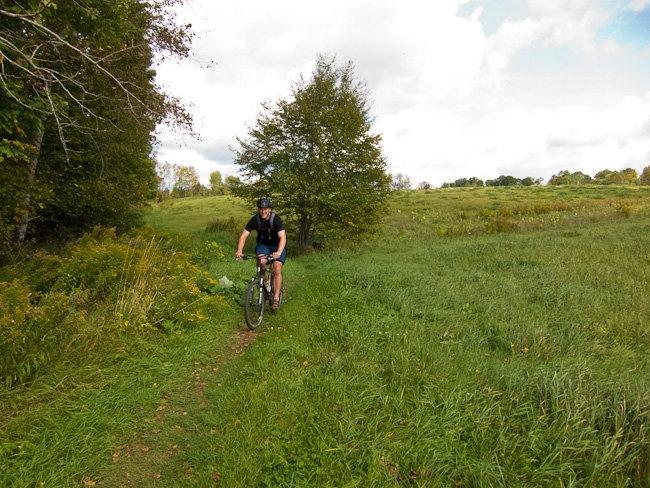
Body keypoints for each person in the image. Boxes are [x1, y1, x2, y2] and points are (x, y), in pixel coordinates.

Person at [236, 197, 286, 310]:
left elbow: (283, 237)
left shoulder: (276, 219)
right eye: (261, 209)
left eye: (266, 209)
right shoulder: (255, 219)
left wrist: (278, 252)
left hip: (277, 246)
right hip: (263, 245)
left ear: (270, 209)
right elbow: (244, 235)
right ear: (259, 209)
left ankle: (276, 298)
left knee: (277, 267)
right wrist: (239, 251)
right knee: (262, 262)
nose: (263, 211)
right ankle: (265, 282)